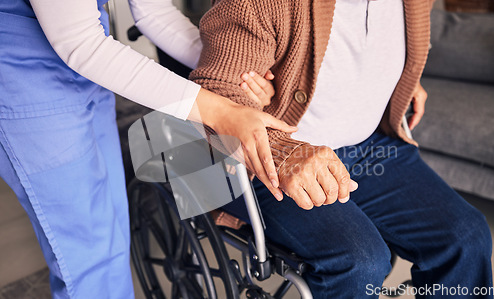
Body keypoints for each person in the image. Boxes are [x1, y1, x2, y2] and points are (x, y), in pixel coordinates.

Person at [189, 0, 494, 297]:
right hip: (269, 160)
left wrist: (403, 80)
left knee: (466, 237)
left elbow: (378, 48)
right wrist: (281, 150)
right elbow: (216, 90)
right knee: (360, 261)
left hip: (371, 146)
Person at [0, 0, 294, 298]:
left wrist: (235, 74)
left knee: (113, 230)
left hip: (86, 72)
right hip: (26, 75)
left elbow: (153, 12)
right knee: (88, 255)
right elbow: (79, 43)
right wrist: (221, 111)